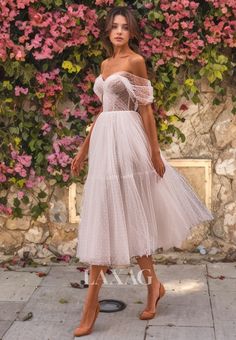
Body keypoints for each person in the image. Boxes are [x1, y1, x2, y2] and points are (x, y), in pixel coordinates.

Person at [71, 6, 214, 337]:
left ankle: (93, 306)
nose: (119, 31)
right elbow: (103, 112)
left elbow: (146, 111)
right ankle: (154, 287)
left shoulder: (135, 61)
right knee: (108, 213)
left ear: (132, 32)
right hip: (106, 144)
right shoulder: (105, 65)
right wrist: (83, 148)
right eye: (114, 27)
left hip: (130, 143)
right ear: (108, 32)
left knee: (131, 215)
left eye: (125, 27)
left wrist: (154, 152)